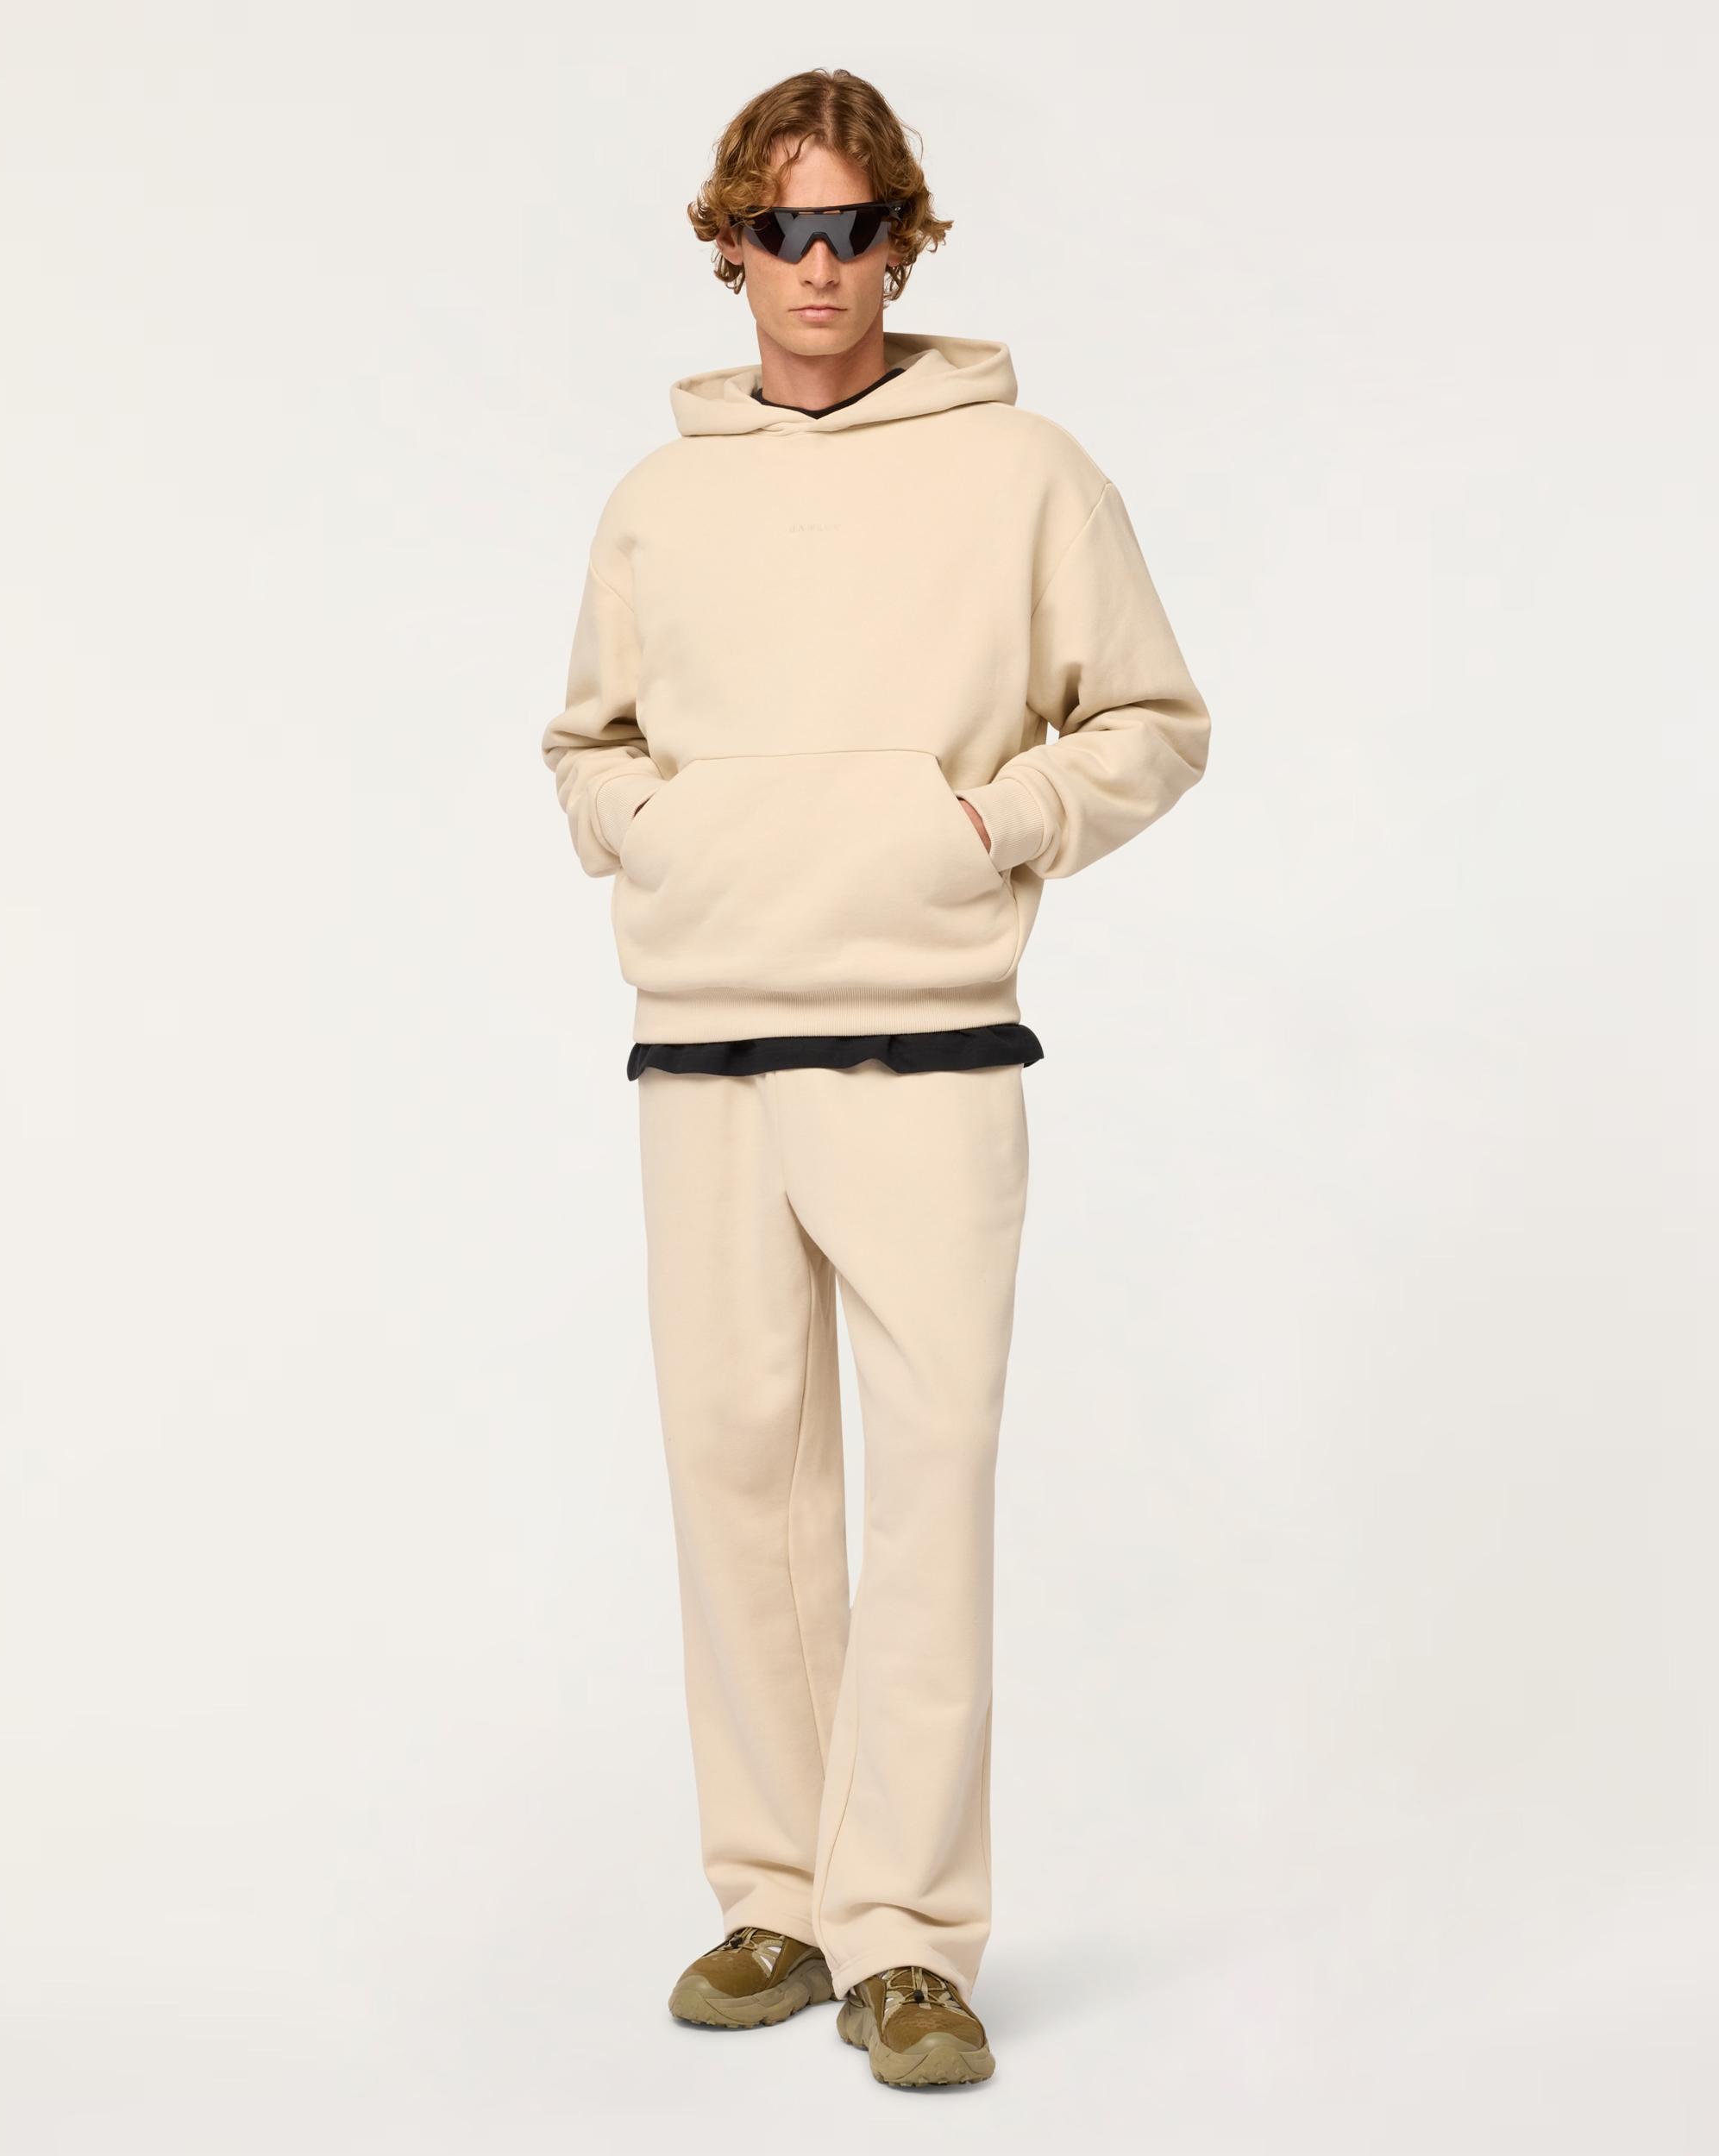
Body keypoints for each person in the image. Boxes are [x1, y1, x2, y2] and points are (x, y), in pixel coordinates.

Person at [540, 67, 1211, 2091]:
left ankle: (905, 1935)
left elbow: (1152, 718)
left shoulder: (1024, 475)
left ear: (902, 244)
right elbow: (588, 744)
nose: (816, 268)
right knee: (735, 1475)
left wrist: (984, 826)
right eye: (782, 231)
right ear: (729, 248)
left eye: (851, 231)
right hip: (704, 1038)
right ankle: (775, 1895)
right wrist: (657, 839)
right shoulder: (658, 502)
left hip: (927, 1035)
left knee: (927, 1483)